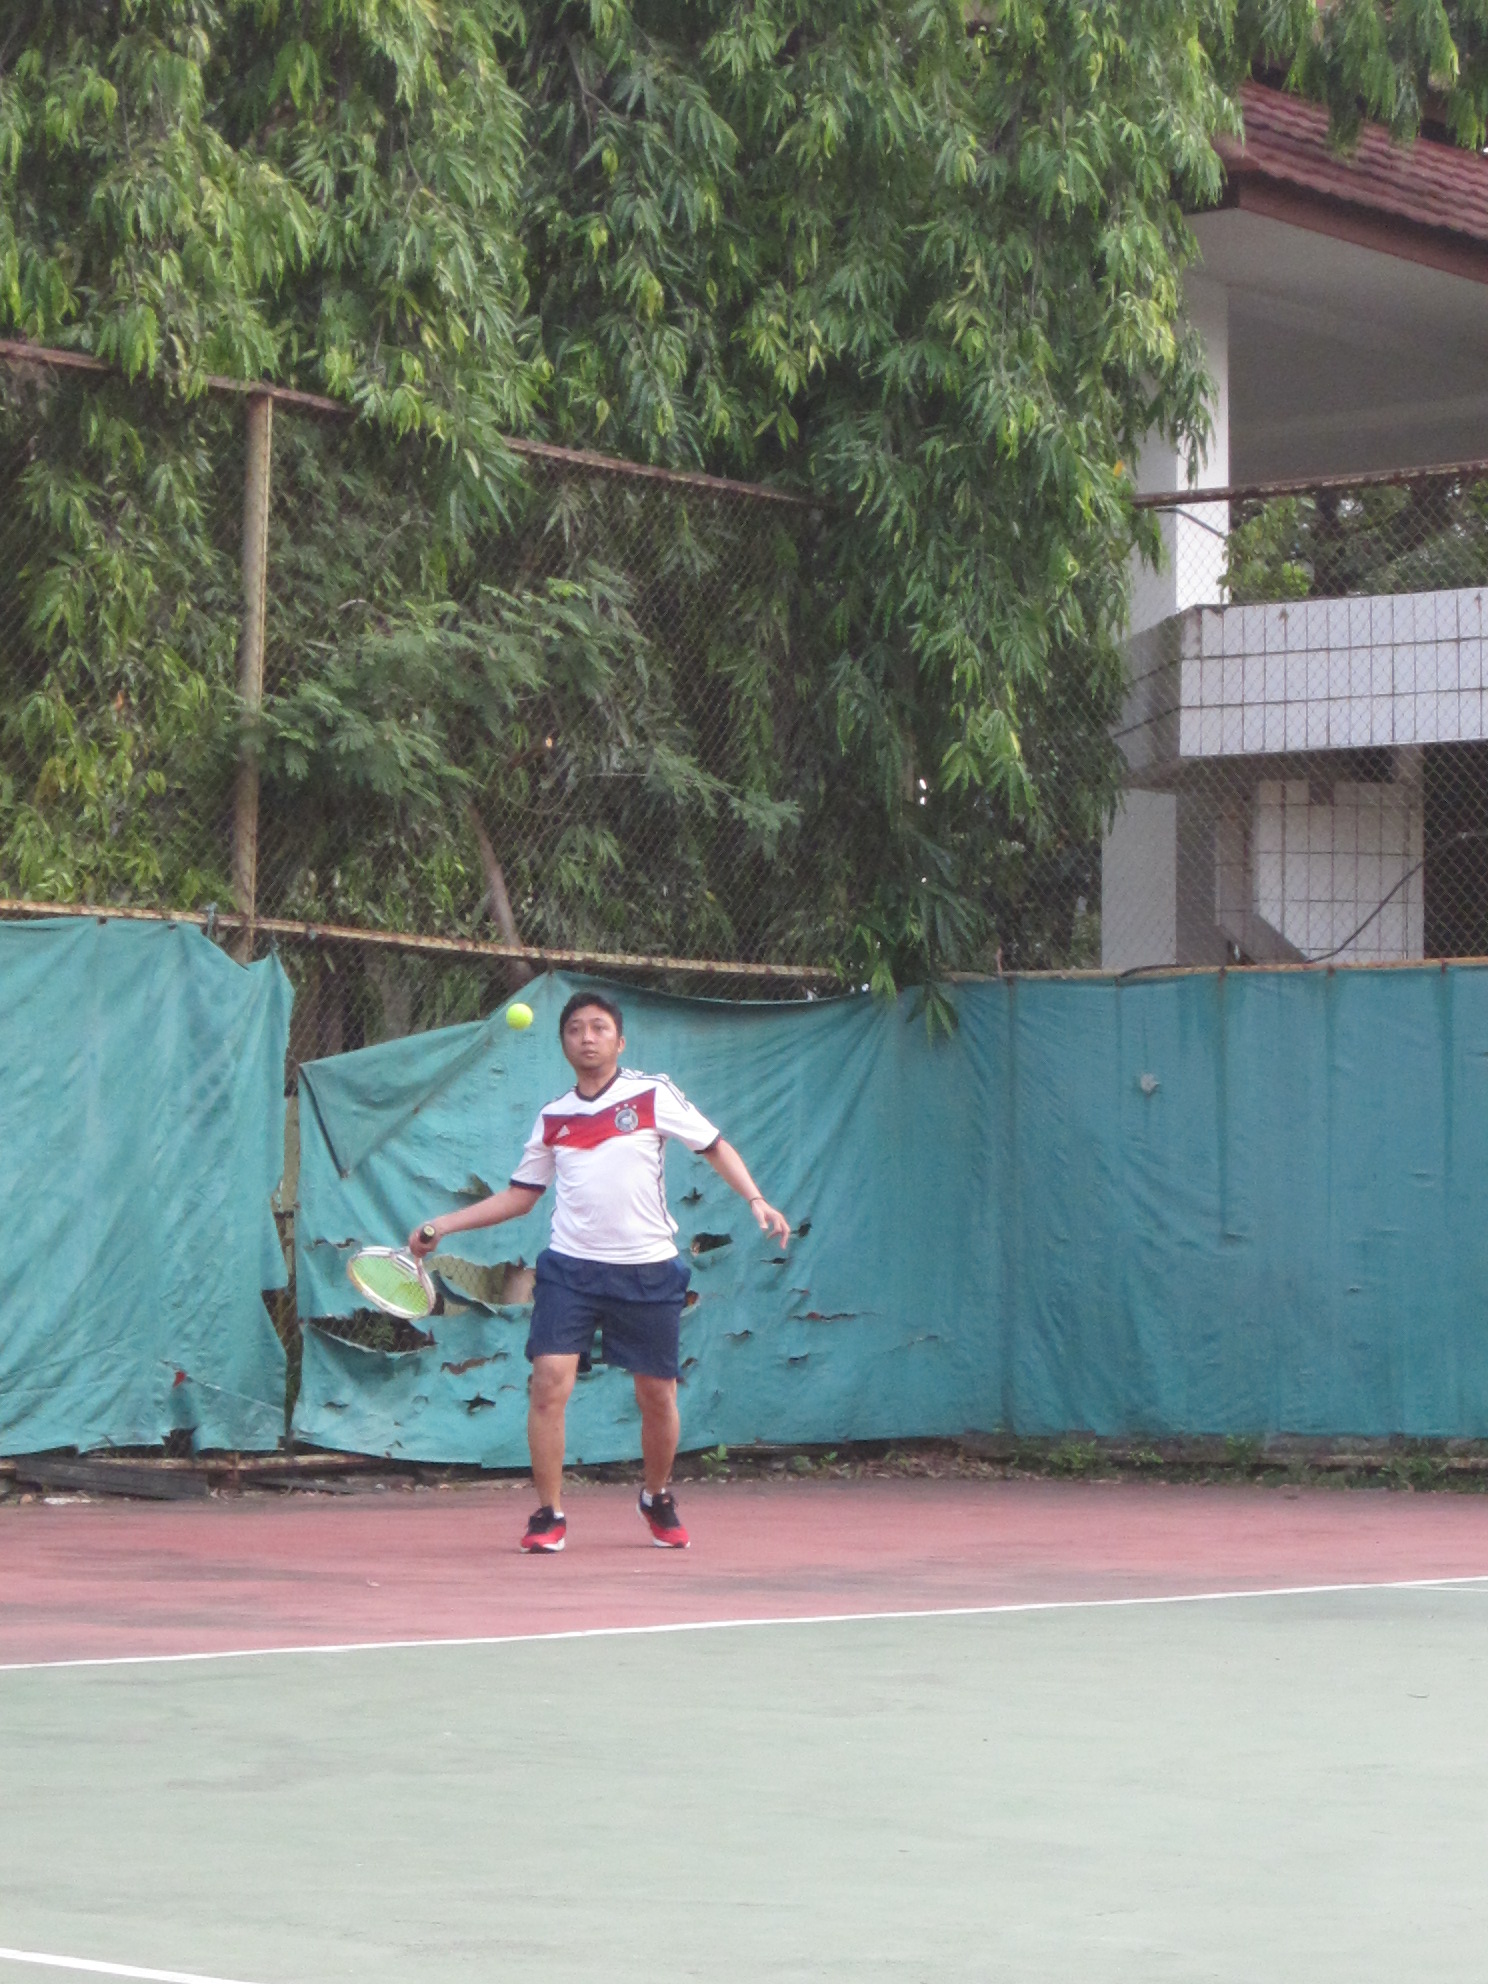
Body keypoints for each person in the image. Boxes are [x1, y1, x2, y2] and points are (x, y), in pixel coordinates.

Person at [409, 992, 790, 1553]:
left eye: (599, 1027)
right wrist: (443, 1225)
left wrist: (755, 1198)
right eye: (575, 1029)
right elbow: (521, 1196)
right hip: (571, 1270)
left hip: (648, 1269)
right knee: (548, 1383)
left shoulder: (652, 1094)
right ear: (563, 1044)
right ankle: (549, 1514)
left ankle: (656, 1496)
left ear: (620, 1041)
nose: (587, 1037)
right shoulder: (554, 1117)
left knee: (657, 1396)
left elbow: (713, 1146)